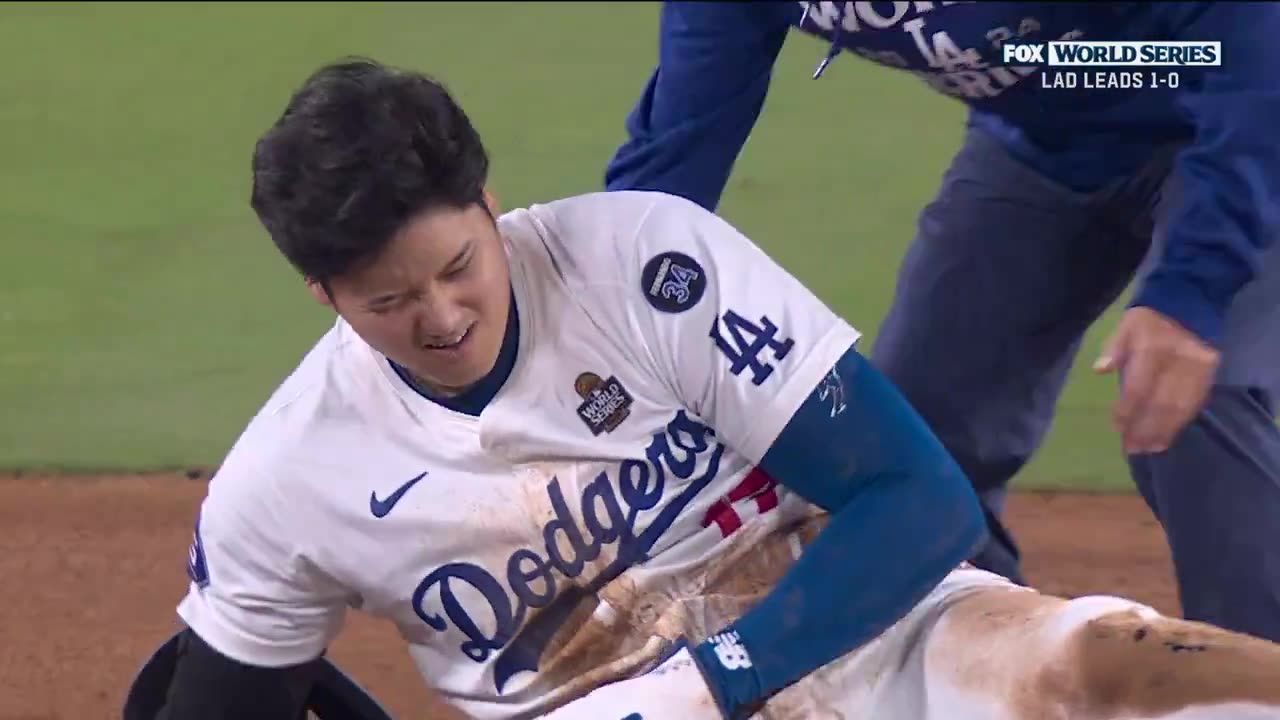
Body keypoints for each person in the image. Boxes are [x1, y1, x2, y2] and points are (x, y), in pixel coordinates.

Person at [131, 57, 1280, 720]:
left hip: (858, 631)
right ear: (322, 292)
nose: (440, 318)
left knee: (1102, 660)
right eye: (389, 303)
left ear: (490, 208)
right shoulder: (283, 486)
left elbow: (916, 498)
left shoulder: (639, 264)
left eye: (456, 267)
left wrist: (705, 686)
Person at [603, 1, 1280, 642]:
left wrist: (1194, 286)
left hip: (1254, 121)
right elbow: (675, 155)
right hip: (1047, 149)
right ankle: (990, 676)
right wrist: (589, 321)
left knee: (1202, 401)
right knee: (911, 450)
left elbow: (1254, 52)